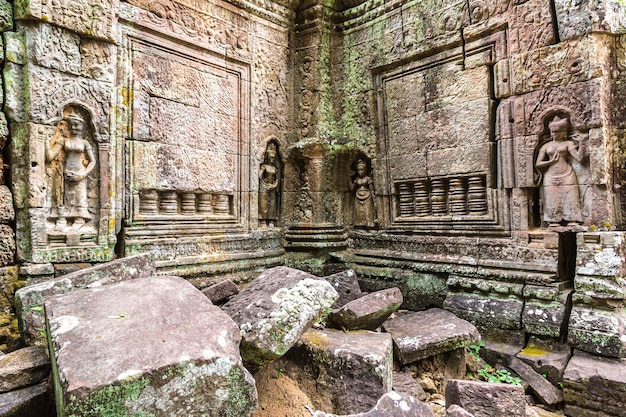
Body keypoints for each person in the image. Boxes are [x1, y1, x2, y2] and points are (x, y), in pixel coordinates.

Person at [46, 107, 96, 231]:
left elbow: (93, 161)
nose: (74, 128)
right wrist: (45, 141)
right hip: (65, 173)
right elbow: (50, 156)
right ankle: (62, 219)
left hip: (80, 174)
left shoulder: (85, 143)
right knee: (64, 197)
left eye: (77, 126)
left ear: (82, 127)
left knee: (79, 198)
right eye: (72, 125)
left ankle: (79, 219)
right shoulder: (63, 140)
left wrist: (83, 174)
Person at [535, 115, 584, 226]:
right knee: (552, 199)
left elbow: (579, 158)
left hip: (567, 174)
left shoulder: (568, 144)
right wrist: (550, 162)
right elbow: (538, 164)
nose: (554, 135)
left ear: (564, 132)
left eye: (557, 132)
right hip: (550, 176)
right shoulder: (546, 146)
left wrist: (581, 144)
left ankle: (572, 220)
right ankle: (553, 220)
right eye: (552, 132)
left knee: (571, 198)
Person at [258, 141, 280, 226]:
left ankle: (271, 220)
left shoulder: (274, 168)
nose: (272, 159)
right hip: (264, 186)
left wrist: (274, 184)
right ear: (267, 156)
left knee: (272, 204)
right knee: (263, 203)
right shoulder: (264, 166)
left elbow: (277, 179)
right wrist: (262, 179)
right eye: (270, 157)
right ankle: (263, 220)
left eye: (273, 158)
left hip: (272, 187)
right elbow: (259, 175)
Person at [350, 158, 376, 227]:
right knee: (358, 212)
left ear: (365, 170)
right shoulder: (357, 179)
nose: (360, 172)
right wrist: (349, 178)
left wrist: (374, 200)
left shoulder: (368, 178)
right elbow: (352, 188)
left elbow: (372, 189)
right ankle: (359, 224)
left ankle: (369, 224)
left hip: (367, 196)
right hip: (358, 196)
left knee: (367, 211)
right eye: (358, 170)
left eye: (362, 170)